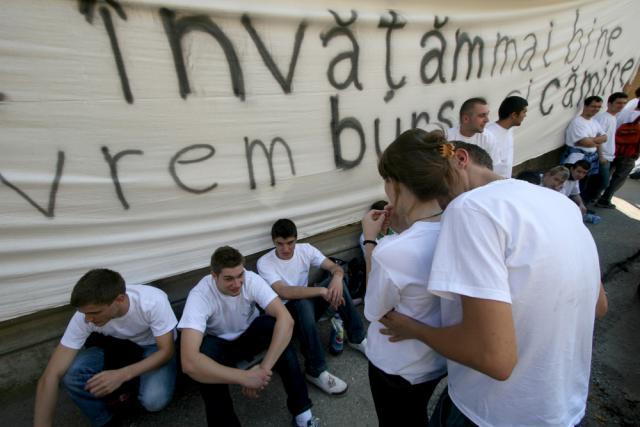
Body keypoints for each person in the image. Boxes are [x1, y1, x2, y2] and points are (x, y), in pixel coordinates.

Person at [379, 141, 608, 426]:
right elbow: (598, 305)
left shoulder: (470, 208)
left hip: (490, 411)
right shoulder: (559, 202)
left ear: (461, 159)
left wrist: (414, 329)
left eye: (438, 181)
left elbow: (494, 359)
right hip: (564, 407)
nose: (438, 200)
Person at [361, 129, 448, 426]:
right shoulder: (458, 222)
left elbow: (374, 310)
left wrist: (371, 242)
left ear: (395, 184)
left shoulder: (390, 252)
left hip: (396, 366)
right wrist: (403, 230)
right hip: (436, 360)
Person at [179, 246, 318, 427]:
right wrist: (244, 378)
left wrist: (263, 369)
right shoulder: (200, 295)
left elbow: (286, 319)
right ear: (214, 276)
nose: (237, 284)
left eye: (240, 276)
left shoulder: (251, 279)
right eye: (229, 278)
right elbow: (188, 363)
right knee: (204, 363)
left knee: (277, 330)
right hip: (220, 345)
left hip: (250, 335)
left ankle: (302, 413)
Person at [34, 269, 177, 427]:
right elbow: (50, 376)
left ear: (120, 299)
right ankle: (105, 420)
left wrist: (122, 375)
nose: (88, 320)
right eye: (84, 314)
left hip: (153, 346)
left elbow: (166, 351)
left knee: (154, 401)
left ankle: (132, 390)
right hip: (117, 346)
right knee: (72, 375)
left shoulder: (152, 301)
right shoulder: (84, 317)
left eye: (95, 313)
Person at [257, 219, 366, 395]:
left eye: (290, 243)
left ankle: (357, 338)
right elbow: (283, 292)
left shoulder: (305, 249)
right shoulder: (265, 262)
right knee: (301, 302)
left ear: (296, 239)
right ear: (273, 241)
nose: (286, 249)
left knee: (335, 283)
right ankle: (315, 370)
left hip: (308, 309)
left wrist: (337, 278)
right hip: (287, 316)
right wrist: (321, 290)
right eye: (280, 244)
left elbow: (334, 267)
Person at [562, 95, 607, 203]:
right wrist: (596, 140)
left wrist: (592, 140)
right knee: (570, 185)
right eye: (593, 106)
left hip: (590, 158)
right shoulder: (577, 122)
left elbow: (605, 137)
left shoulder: (594, 122)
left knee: (584, 185)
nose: (596, 109)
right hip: (576, 159)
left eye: (598, 107)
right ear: (585, 106)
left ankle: (579, 206)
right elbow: (584, 142)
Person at [597, 102, 640, 209]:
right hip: (629, 152)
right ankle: (605, 199)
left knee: (606, 173)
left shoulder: (624, 112)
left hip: (614, 148)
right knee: (619, 178)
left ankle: (595, 195)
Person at [591, 92, 629, 203]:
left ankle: (587, 204)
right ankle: (585, 204)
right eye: (618, 103)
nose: (621, 105)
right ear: (610, 103)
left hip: (608, 156)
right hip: (602, 157)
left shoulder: (613, 117)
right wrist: (601, 156)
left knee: (599, 183)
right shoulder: (604, 118)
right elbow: (597, 138)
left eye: (624, 103)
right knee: (602, 183)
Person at [446, 97, 500, 166]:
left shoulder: (488, 138)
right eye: (482, 115)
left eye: (487, 115)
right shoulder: (447, 137)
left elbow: (494, 168)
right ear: (465, 119)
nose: (487, 120)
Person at [485, 96, 529, 178]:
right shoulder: (489, 133)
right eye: (524, 112)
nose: (525, 115)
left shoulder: (509, 130)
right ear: (514, 115)